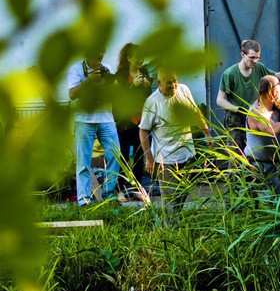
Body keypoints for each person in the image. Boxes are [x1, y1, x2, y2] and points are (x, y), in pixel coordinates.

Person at [139, 70, 210, 210]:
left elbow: (195, 112)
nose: (173, 85)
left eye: (175, 80)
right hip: (165, 159)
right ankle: (169, 227)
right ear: (159, 83)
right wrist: (149, 158)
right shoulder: (152, 102)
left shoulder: (184, 90)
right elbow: (143, 130)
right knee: (169, 197)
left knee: (183, 192)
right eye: (169, 82)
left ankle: (176, 224)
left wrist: (207, 132)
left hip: (187, 153)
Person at [216, 39, 280, 153]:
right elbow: (220, 100)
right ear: (243, 54)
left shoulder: (259, 67)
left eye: (257, 57)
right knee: (236, 154)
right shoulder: (230, 73)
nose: (255, 61)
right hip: (236, 118)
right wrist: (237, 109)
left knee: (256, 150)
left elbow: (276, 76)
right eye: (252, 57)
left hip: (255, 114)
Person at [68, 50, 121, 205]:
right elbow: (72, 94)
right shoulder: (76, 70)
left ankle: (109, 194)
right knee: (83, 161)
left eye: (102, 52)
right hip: (84, 120)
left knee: (115, 155)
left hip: (106, 118)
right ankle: (84, 200)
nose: (101, 54)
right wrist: (89, 80)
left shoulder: (107, 69)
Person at [113, 43, 152, 202]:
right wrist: (131, 85)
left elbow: (147, 94)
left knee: (138, 155)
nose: (141, 60)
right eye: (138, 57)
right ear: (129, 58)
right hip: (124, 119)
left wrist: (146, 85)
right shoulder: (121, 74)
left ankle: (138, 190)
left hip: (140, 118)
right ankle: (120, 189)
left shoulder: (144, 72)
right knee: (122, 155)